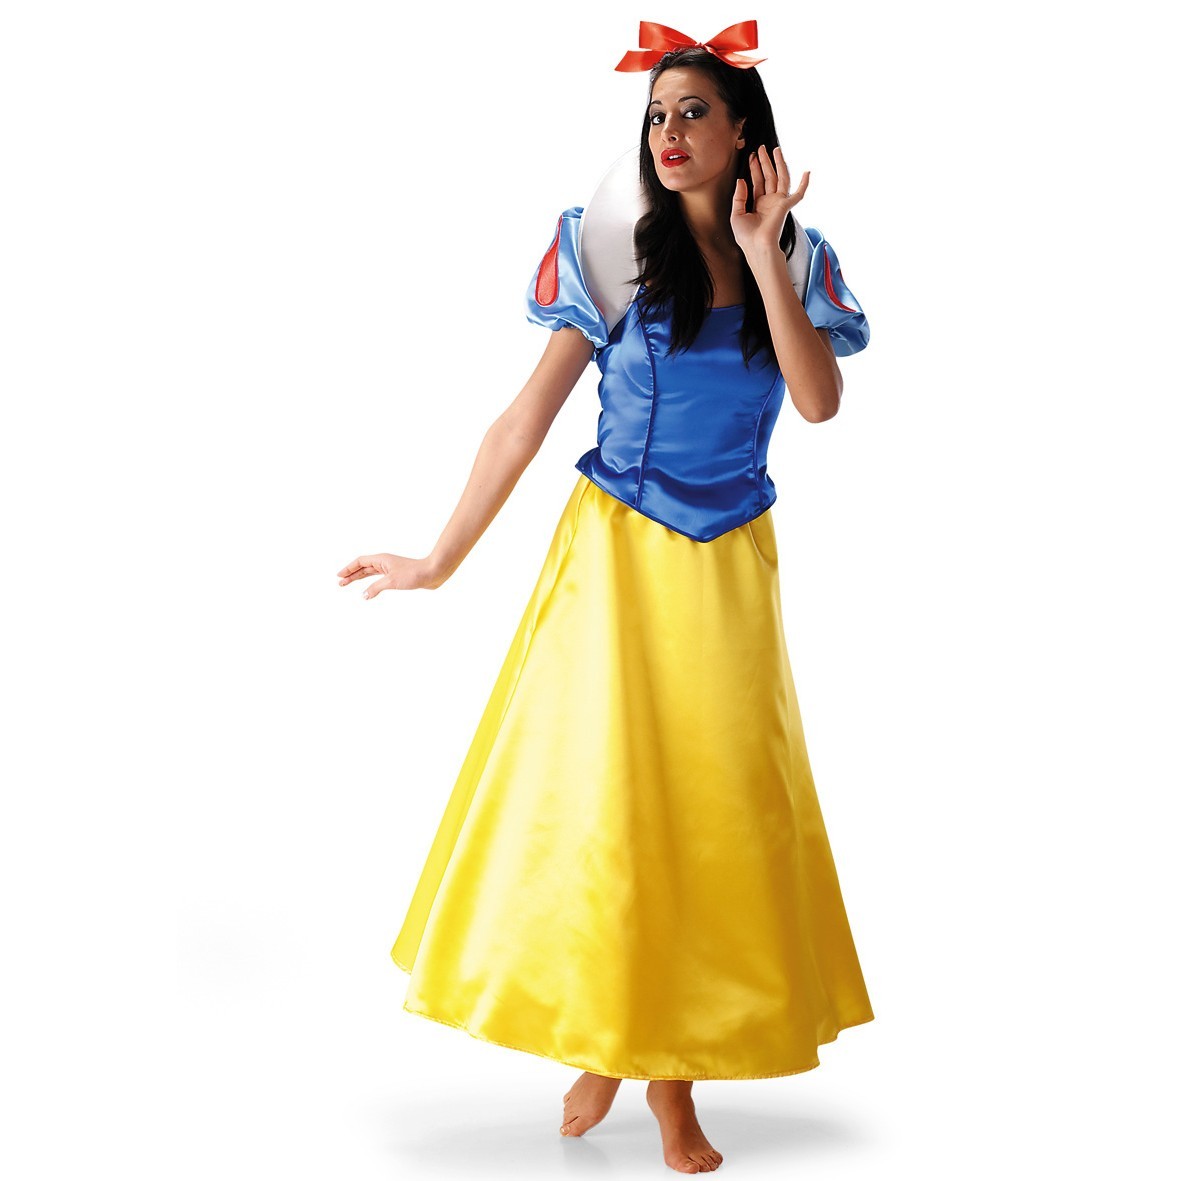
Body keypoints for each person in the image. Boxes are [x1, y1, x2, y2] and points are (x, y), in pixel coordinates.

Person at [337, 19, 874, 1175]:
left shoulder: (794, 257)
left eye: (693, 112)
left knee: (712, 809)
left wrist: (762, 248)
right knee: (611, 810)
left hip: (727, 566)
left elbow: (817, 401)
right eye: (655, 114)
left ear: (744, 132)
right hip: (613, 559)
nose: (668, 133)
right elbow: (522, 420)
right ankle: (634, 1061)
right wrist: (438, 558)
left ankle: (644, 1056)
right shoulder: (612, 252)